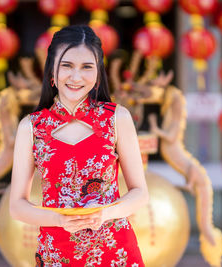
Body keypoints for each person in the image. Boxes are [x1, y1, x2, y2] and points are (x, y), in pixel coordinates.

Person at [10, 25, 148, 267]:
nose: (76, 77)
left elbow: (140, 193)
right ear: (52, 71)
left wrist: (104, 213)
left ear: (98, 74)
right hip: (56, 255)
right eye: (67, 66)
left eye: (87, 67)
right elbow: (17, 206)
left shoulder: (117, 119)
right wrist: (59, 219)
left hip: (114, 252)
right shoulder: (31, 127)